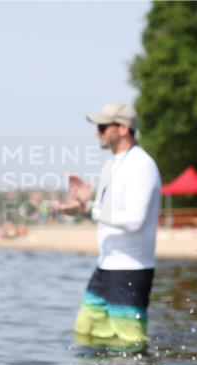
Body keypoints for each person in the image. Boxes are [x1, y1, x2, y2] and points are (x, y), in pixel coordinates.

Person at [60, 102, 162, 346]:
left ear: (124, 128)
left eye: (103, 127)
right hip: (105, 266)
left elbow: (134, 220)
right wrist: (84, 208)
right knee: (85, 332)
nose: (98, 132)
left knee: (130, 344)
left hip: (131, 269)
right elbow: (105, 215)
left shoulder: (142, 165)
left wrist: (92, 211)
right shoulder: (110, 165)